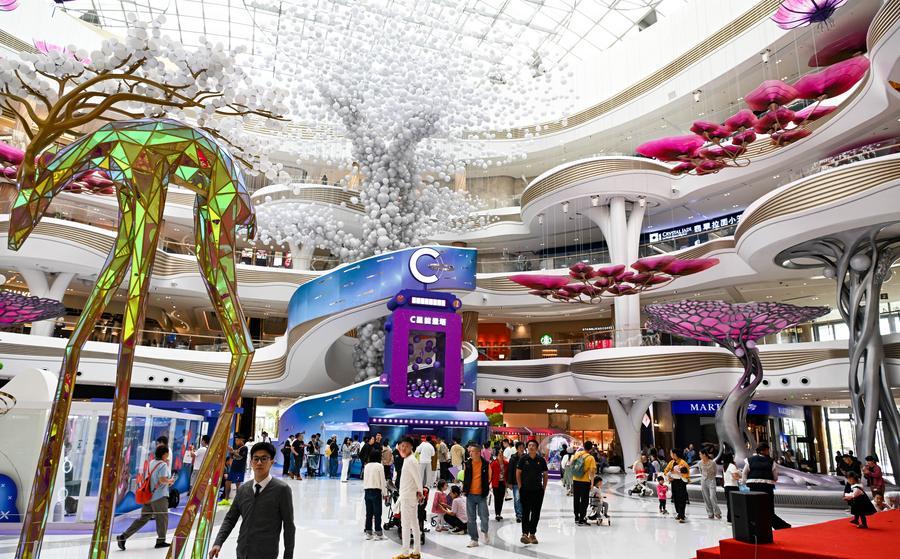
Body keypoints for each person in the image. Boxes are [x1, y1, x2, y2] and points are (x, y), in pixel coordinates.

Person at [209, 442, 295, 559]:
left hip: (266, 554)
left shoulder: (282, 490)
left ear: (271, 462)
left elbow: (289, 526)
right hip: (242, 552)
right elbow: (230, 518)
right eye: (256, 459)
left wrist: (288, 556)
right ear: (251, 462)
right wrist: (218, 542)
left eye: (264, 459)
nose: (259, 463)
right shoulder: (243, 489)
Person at [117, 445, 174, 550]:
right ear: (165, 454)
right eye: (167, 454)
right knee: (162, 518)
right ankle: (161, 540)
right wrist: (170, 481)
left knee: (143, 518)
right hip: (159, 496)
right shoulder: (163, 465)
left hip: (148, 496)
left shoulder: (152, 463)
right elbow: (162, 479)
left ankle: (123, 536)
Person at [742, 442, 791, 530]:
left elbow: (744, 472)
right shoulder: (771, 461)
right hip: (767, 486)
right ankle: (781, 525)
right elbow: (775, 476)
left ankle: (759, 527)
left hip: (753, 487)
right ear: (764, 450)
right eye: (768, 450)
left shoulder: (750, 460)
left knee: (756, 508)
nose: (769, 452)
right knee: (769, 508)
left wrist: (746, 482)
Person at [395, 437, 423, 559]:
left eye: (406, 446)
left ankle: (405, 553)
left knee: (406, 525)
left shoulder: (411, 460)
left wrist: (420, 492)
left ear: (411, 447)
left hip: (408, 497)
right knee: (414, 524)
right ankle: (416, 551)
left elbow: (418, 478)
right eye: (402, 446)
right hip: (409, 496)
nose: (403, 448)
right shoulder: (408, 459)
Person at [516, 439, 548, 544]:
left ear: (537, 448)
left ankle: (532, 534)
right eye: (529, 445)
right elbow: (518, 473)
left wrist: (543, 488)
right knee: (525, 512)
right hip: (525, 490)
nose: (531, 447)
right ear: (527, 447)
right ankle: (525, 534)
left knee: (536, 513)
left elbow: (545, 474)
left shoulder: (541, 460)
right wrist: (520, 487)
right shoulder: (523, 459)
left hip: (538, 491)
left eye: (533, 445)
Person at [462, 441, 491, 548]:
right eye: (470, 451)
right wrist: (465, 488)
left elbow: (489, 477)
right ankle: (474, 539)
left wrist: (486, 488)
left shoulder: (486, 464)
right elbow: (465, 476)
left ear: (478, 453)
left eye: (472, 451)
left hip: (481, 495)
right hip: (470, 494)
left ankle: (485, 531)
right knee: (471, 518)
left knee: (484, 516)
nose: (470, 453)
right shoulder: (467, 463)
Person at [363, 446, 387, 540]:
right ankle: (378, 533)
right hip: (376, 491)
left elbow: (365, 479)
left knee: (369, 513)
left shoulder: (367, 466)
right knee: (377, 513)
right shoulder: (379, 466)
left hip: (367, 490)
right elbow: (382, 480)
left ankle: (368, 532)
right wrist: (385, 493)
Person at [571, 441, 597, 525]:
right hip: (585, 481)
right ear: (591, 448)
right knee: (584, 500)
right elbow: (592, 472)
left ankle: (576, 517)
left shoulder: (577, 454)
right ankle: (581, 518)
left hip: (575, 479)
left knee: (576, 499)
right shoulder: (591, 458)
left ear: (584, 446)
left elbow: (571, 464)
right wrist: (592, 484)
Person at [221, 435, 248, 505]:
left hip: (239, 469)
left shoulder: (244, 448)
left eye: (237, 440)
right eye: (235, 440)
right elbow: (232, 457)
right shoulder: (237, 448)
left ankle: (238, 501)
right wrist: (230, 452)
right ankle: (226, 499)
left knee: (238, 485)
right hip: (233, 468)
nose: (236, 442)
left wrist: (232, 451)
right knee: (227, 482)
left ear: (241, 440)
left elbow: (240, 457)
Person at [664, 449, 690, 523]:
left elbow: (687, 474)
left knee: (681, 498)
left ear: (674, 454)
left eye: (671, 453)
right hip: (674, 482)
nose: (670, 455)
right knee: (675, 498)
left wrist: (679, 474)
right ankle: (679, 513)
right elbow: (665, 471)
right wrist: (669, 477)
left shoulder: (683, 463)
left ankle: (682, 515)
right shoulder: (671, 462)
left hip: (681, 482)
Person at [698, 449, 722, 520]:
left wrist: (710, 477)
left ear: (704, 454)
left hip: (711, 480)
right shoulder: (700, 463)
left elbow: (715, 472)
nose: (699, 455)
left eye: (700, 454)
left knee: (712, 497)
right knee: (706, 498)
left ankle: (717, 512)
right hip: (703, 480)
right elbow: (701, 471)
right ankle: (710, 513)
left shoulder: (713, 462)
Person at [507, 441, 524, 523]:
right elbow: (510, 471)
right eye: (520, 447)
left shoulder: (526, 458)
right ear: (517, 449)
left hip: (525, 482)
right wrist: (509, 482)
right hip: (515, 482)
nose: (522, 449)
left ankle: (524, 514)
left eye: (523, 447)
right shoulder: (513, 458)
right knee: (517, 499)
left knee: (524, 499)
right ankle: (519, 515)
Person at [489, 449, 507, 520]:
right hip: (495, 483)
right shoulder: (493, 463)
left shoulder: (506, 463)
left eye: (502, 455)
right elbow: (490, 474)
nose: (501, 456)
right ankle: (497, 514)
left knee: (501, 498)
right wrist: (489, 483)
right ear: (497, 456)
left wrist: (508, 483)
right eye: (499, 455)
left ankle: (499, 513)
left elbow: (508, 473)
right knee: (497, 498)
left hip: (503, 483)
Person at [722, 453, 741, 523]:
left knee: (729, 504)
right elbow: (735, 477)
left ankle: (729, 518)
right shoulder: (732, 466)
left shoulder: (725, 466)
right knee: (735, 504)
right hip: (733, 487)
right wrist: (740, 477)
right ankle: (734, 519)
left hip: (726, 486)